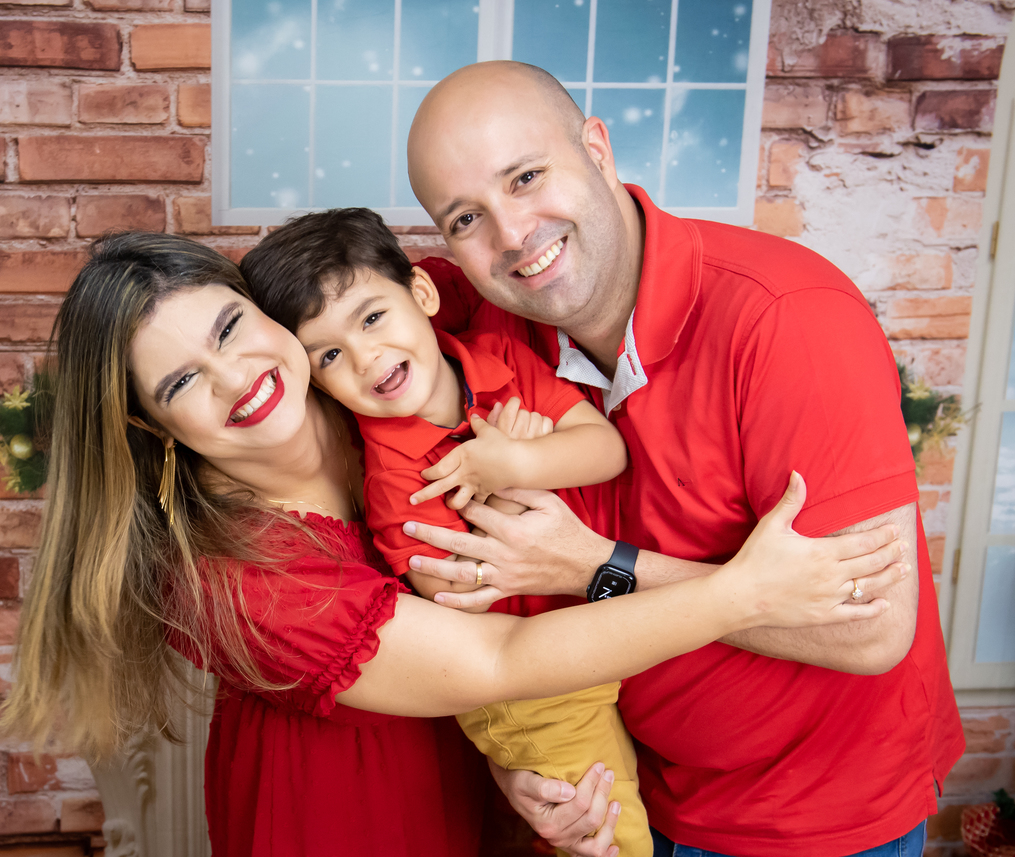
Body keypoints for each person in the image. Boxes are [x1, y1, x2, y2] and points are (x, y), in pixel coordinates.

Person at [0, 232, 908, 857]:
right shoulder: (233, 573)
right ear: (148, 426)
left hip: (465, 772)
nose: (239, 377)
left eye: (231, 329)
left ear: (263, 307)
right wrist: (742, 591)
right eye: (182, 382)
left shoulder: (367, 386)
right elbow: (495, 658)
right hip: (337, 822)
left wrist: (513, 762)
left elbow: (483, 260)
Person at [402, 61, 965, 857]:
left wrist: (593, 564)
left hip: (816, 817)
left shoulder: (788, 320)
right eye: (466, 218)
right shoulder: (486, 338)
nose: (514, 233)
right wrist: (522, 761)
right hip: (640, 789)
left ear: (598, 150)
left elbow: (872, 628)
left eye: (526, 177)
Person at [239, 206, 651, 857]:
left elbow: (607, 450)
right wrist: (512, 483)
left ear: (423, 295)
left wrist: (518, 463)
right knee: (613, 839)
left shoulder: (501, 358)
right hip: (535, 693)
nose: (367, 357)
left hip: (600, 640)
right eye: (331, 355)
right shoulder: (393, 475)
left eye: (372, 317)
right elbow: (456, 596)